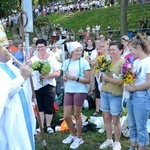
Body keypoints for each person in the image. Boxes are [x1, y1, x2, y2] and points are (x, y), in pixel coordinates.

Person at [0, 45, 35, 150]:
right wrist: (23, 76)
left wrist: (27, 72)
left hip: (21, 112)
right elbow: (6, 91)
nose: (10, 50)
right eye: (6, 48)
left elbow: (22, 86)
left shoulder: (10, 66)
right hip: (9, 115)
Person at [62, 41, 91, 149]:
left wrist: (76, 78)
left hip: (80, 90)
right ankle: (72, 135)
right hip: (68, 90)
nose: (79, 52)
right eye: (77, 50)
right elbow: (64, 76)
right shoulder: (66, 62)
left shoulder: (84, 62)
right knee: (66, 116)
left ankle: (79, 138)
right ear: (71, 52)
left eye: (80, 50)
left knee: (77, 114)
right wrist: (64, 78)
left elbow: (88, 80)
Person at [125, 33, 150, 150]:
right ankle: (133, 145)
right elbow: (134, 78)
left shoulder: (148, 62)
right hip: (132, 96)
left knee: (141, 126)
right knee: (132, 124)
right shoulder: (136, 62)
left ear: (138, 47)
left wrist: (134, 88)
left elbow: (149, 83)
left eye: (131, 50)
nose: (130, 53)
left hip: (141, 97)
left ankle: (141, 146)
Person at [30, 39, 60, 134]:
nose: (40, 49)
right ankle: (40, 126)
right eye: (38, 47)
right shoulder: (33, 59)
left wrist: (47, 76)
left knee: (49, 106)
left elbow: (58, 72)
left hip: (49, 85)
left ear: (46, 47)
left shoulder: (52, 58)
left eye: (42, 47)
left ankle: (49, 126)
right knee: (39, 107)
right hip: (37, 86)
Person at [99, 41, 125, 150]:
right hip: (104, 92)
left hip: (115, 94)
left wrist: (108, 79)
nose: (111, 52)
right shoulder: (107, 62)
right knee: (106, 118)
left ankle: (117, 142)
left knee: (116, 120)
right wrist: (100, 75)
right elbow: (101, 77)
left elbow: (123, 81)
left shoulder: (124, 63)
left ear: (121, 50)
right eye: (110, 50)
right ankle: (109, 139)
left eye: (114, 49)